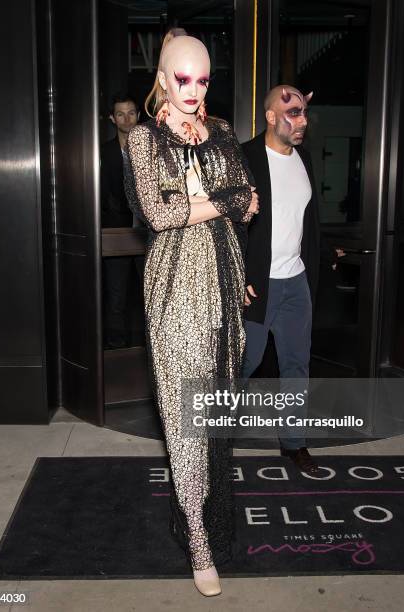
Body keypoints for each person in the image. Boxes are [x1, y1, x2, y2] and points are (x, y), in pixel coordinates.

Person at [124, 29, 259, 596]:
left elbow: (248, 204)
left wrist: (215, 206)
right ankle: (199, 540)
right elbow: (158, 213)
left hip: (226, 282)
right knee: (184, 417)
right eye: (183, 77)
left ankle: (204, 513)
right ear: (161, 76)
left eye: (204, 79)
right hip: (176, 284)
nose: (194, 88)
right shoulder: (142, 139)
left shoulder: (223, 131)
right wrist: (223, 200)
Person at [241, 85, 343, 474]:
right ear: (270, 116)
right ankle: (210, 443)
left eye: (304, 113)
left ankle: (294, 443)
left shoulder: (303, 158)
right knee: (243, 365)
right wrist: (241, 276)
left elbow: (308, 218)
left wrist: (324, 252)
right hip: (258, 285)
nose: (303, 121)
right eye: (293, 113)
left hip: (296, 282)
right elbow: (227, 224)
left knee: (296, 366)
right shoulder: (246, 156)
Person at [101, 93, 141, 349]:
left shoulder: (154, 150)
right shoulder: (103, 152)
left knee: (153, 295)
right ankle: (117, 349)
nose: (127, 119)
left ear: (138, 115)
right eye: (120, 114)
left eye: (131, 113)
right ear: (112, 119)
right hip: (116, 231)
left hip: (150, 231)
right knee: (116, 296)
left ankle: (153, 351)